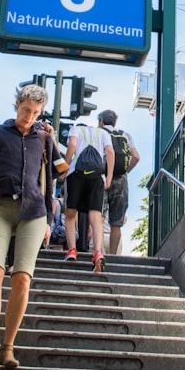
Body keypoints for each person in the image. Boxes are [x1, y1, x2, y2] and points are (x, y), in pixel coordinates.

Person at [0, 84, 57, 370]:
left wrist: (48, 221)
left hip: (33, 212)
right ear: (17, 104)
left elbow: (49, 182)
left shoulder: (43, 139)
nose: (29, 116)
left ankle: (7, 347)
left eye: (36, 112)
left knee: (22, 278)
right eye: (26, 109)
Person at [63, 115, 115, 272]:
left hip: (75, 174)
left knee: (71, 213)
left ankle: (72, 249)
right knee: (95, 215)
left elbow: (72, 145)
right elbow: (110, 152)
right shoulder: (103, 133)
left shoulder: (76, 129)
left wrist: (65, 166)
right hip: (97, 177)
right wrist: (109, 177)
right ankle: (98, 252)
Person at [97, 109, 141, 255]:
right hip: (121, 180)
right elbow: (136, 156)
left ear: (101, 122)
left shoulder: (100, 134)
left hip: (101, 178)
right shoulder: (125, 135)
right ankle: (113, 256)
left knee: (99, 217)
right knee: (116, 223)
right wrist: (125, 171)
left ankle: (99, 253)